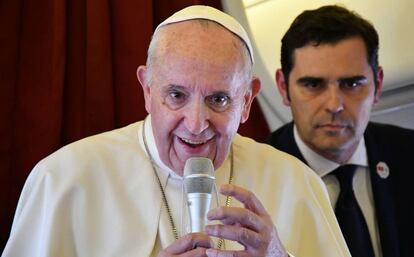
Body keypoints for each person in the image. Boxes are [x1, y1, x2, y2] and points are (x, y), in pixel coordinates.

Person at [3, 5, 350, 257]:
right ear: (147, 90)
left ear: (246, 102)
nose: (196, 123)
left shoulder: (296, 182)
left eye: (218, 99)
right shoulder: (63, 179)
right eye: (176, 95)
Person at [266, 5, 414, 257]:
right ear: (283, 87)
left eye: (352, 84)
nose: (334, 104)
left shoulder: (408, 154)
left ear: (377, 84)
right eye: (313, 84)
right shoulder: (257, 179)